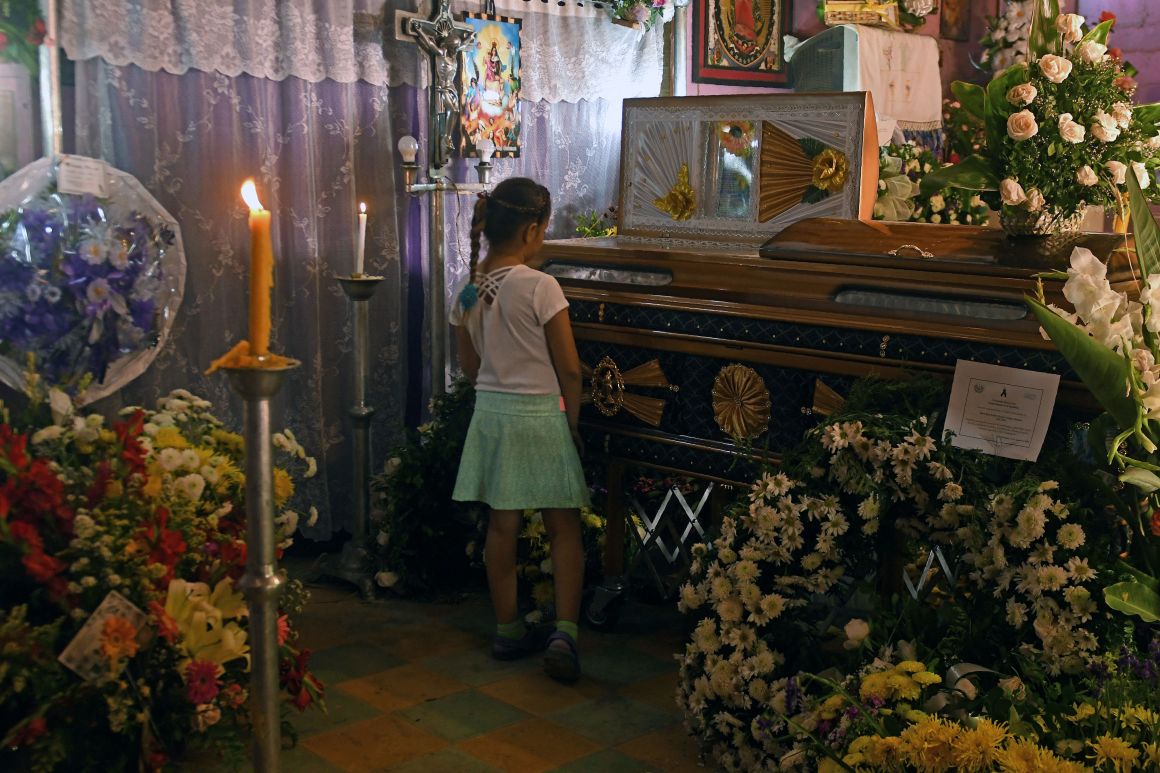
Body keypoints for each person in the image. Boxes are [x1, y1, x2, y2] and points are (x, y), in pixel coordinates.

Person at [450, 178, 588, 682]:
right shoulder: (541, 285)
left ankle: (508, 629)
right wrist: (570, 420)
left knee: (502, 527)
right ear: (532, 229)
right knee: (563, 527)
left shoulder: (468, 289)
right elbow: (569, 367)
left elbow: (469, 365)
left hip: (492, 416)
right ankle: (565, 632)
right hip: (539, 416)